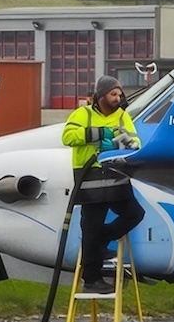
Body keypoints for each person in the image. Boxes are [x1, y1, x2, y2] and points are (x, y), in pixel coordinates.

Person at [61, 76, 143, 294]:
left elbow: (135, 142)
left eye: (119, 94)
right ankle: (91, 279)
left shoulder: (122, 116)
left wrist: (120, 143)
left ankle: (102, 241)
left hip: (116, 176)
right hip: (91, 178)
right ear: (101, 95)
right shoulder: (82, 114)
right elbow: (67, 137)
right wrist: (98, 135)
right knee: (91, 227)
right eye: (113, 94)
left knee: (135, 214)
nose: (118, 98)